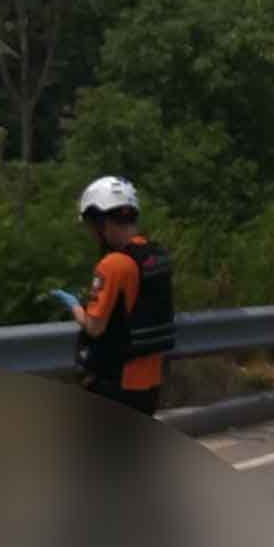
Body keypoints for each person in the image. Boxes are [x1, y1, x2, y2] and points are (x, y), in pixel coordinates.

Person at [49, 177, 176, 417]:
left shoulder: (113, 264)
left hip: (116, 381)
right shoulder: (156, 256)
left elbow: (95, 327)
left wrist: (75, 307)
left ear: (102, 222)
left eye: (90, 226)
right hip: (150, 381)